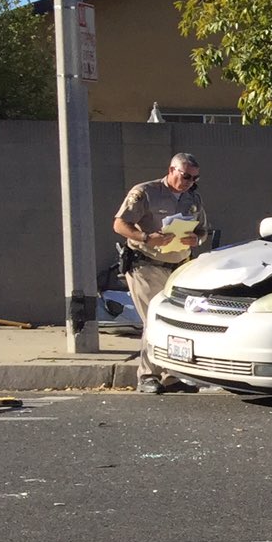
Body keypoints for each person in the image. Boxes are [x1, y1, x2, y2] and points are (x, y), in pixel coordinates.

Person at [112, 152, 206, 393]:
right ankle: (147, 375)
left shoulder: (192, 198)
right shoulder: (146, 192)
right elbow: (120, 224)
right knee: (154, 319)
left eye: (194, 178)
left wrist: (196, 239)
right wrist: (146, 237)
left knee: (176, 322)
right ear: (171, 170)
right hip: (146, 265)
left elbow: (203, 230)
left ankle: (171, 374)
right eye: (186, 176)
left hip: (179, 266)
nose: (189, 182)